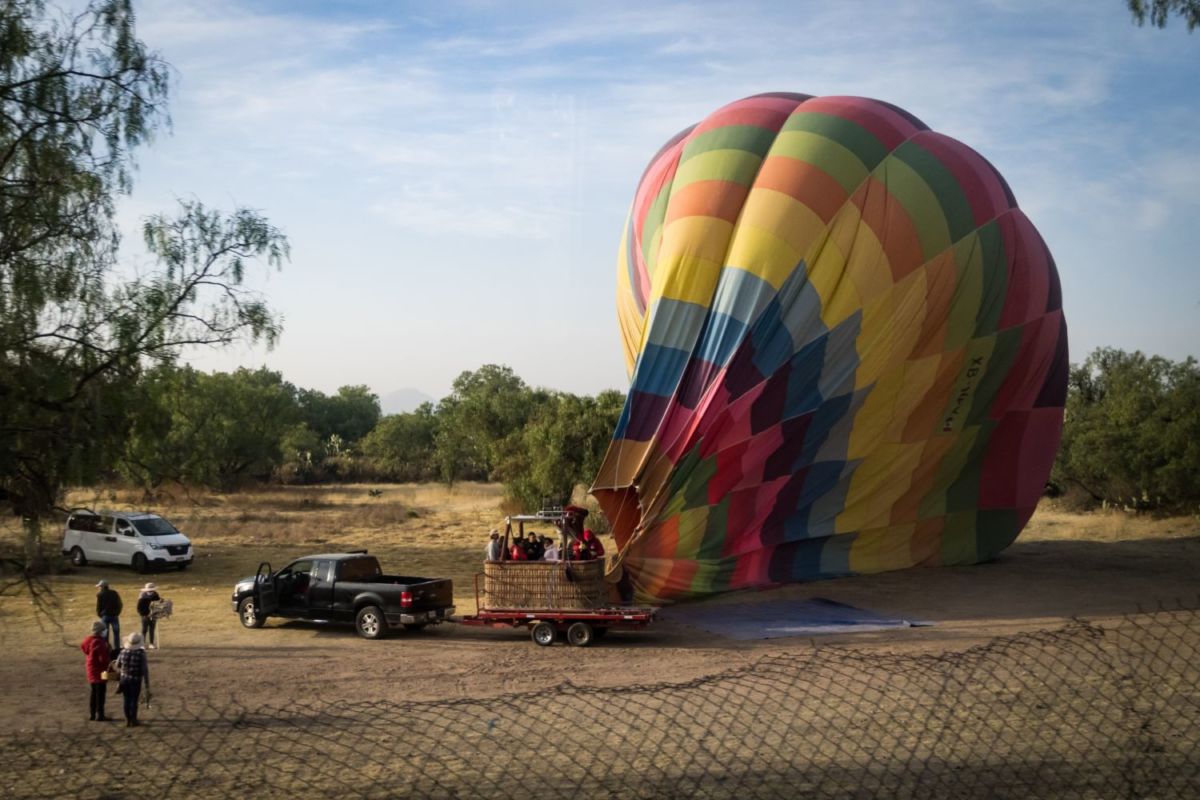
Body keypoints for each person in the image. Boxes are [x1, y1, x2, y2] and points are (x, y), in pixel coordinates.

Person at [115, 632, 150, 727]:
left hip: (124, 679)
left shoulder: (123, 652)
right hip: (136, 680)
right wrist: (147, 683)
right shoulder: (141, 654)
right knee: (134, 700)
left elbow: (117, 665)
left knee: (126, 699)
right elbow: (144, 669)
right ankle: (133, 719)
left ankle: (127, 719)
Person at [81, 621, 112, 722]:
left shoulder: (88, 640)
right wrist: (109, 655)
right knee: (101, 694)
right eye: (104, 630)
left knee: (93, 693)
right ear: (100, 631)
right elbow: (103, 659)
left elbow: (84, 648)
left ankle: (92, 714)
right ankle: (100, 714)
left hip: (90, 669)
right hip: (99, 671)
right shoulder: (99, 642)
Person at [95, 579, 122, 650]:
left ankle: (106, 648)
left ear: (103, 587)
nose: (99, 588)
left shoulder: (100, 594)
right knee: (116, 633)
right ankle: (117, 648)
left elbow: (98, 607)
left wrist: (100, 615)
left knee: (104, 634)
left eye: (100, 586)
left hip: (105, 616)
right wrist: (117, 612)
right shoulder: (114, 593)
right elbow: (120, 604)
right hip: (114, 615)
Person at [136, 582, 161, 650]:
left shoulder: (156, 595)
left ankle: (151, 644)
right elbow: (139, 608)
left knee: (152, 629)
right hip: (145, 616)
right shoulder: (142, 596)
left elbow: (158, 605)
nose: (151, 591)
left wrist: (157, 612)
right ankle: (142, 644)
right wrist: (144, 615)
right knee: (144, 630)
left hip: (153, 615)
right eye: (149, 590)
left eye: (152, 590)